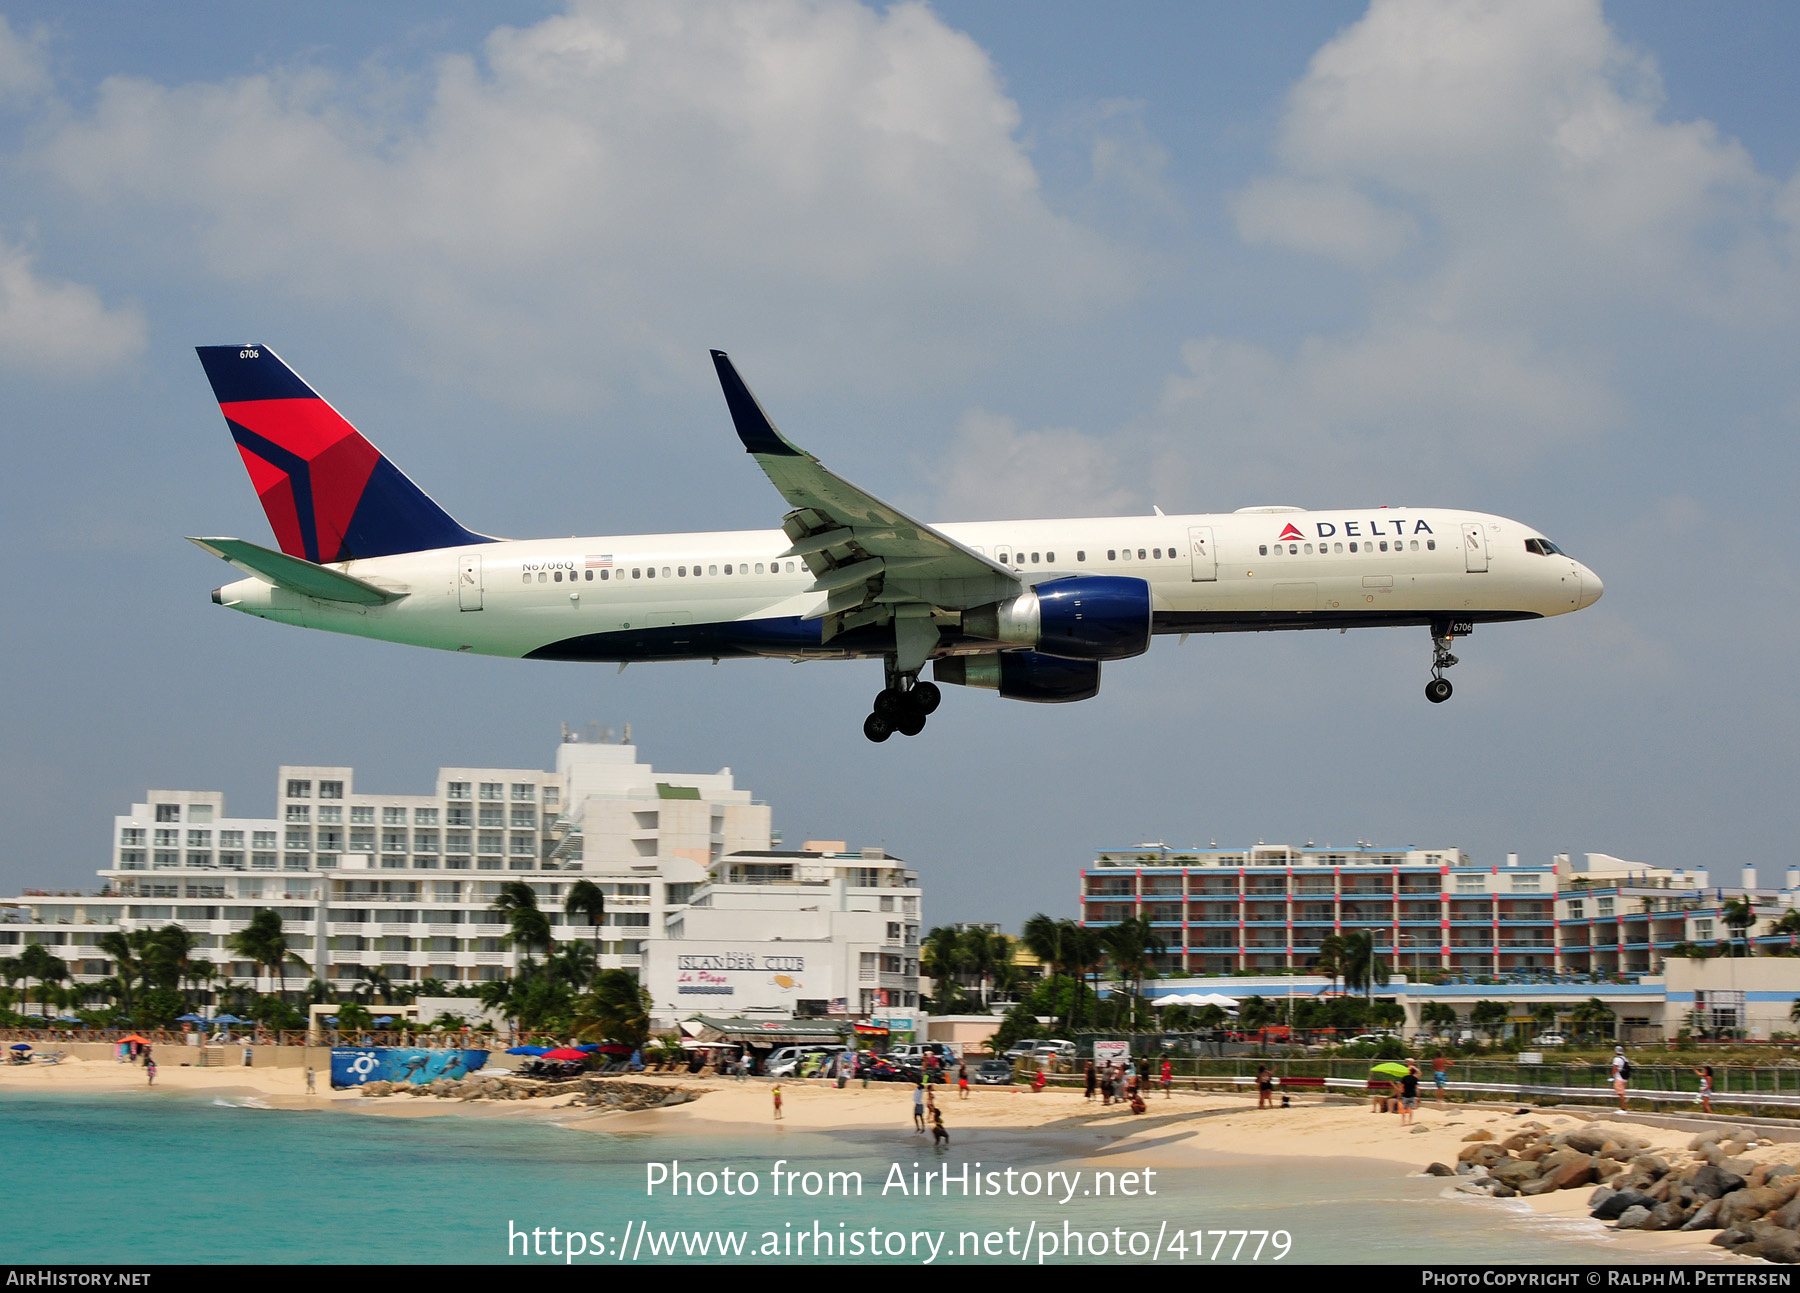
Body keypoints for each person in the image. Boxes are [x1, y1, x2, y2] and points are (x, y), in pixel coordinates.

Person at [1399, 1060, 1420, 1127]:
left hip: (1405, 1094)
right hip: (1412, 1095)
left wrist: (1401, 1092)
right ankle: (1410, 1122)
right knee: (1411, 1109)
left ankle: (1403, 1122)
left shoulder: (1404, 1078)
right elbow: (1417, 1088)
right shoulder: (1415, 1079)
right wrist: (1418, 1096)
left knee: (1404, 1108)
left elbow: (1402, 1086)